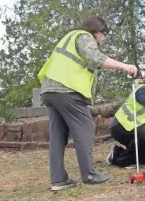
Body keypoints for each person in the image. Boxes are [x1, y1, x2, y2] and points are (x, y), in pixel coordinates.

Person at [37, 16, 138, 191]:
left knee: (58, 135)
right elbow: (95, 58)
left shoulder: (68, 38)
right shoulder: (84, 37)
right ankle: (89, 175)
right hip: (67, 89)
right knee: (86, 127)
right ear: (97, 31)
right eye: (103, 34)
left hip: (49, 90)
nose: (102, 38)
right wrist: (125, 66)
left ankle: (58, 180)